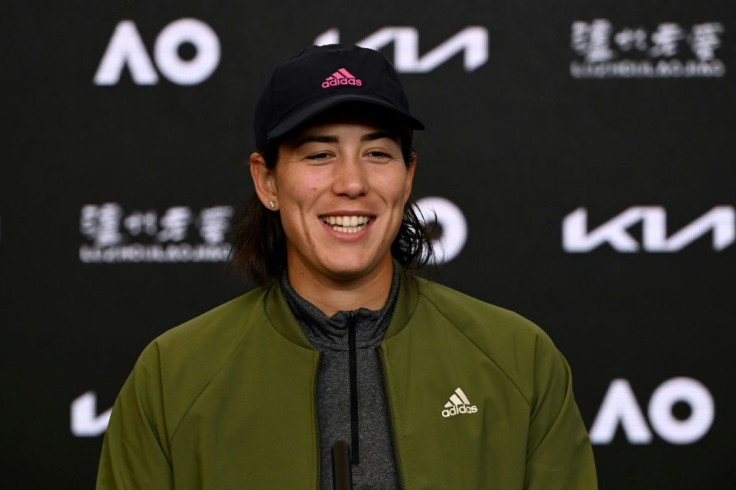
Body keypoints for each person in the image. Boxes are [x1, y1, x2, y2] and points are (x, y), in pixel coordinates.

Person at [97, 44, 597, 489]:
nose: (352, 182)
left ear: (407, 177)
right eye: (319, 154)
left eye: (378, 153)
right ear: (267, 181)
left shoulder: (519, 359)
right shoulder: (172, 374)